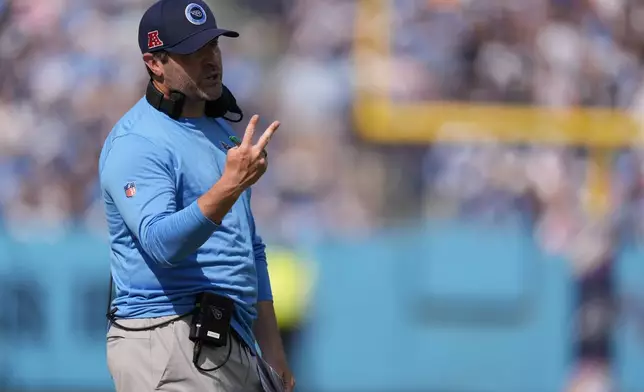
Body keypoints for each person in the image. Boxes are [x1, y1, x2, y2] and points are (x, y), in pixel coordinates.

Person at [98, 0, 295, 391]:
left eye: (213, 46)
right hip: (166, 336)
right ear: (155, 62)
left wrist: (272, 350)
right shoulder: (137, 140)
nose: (210, 61)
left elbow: (247, 247)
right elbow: (162, 244)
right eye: (193, 52)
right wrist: (230, 186)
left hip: (228, 343)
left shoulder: (221, 133)